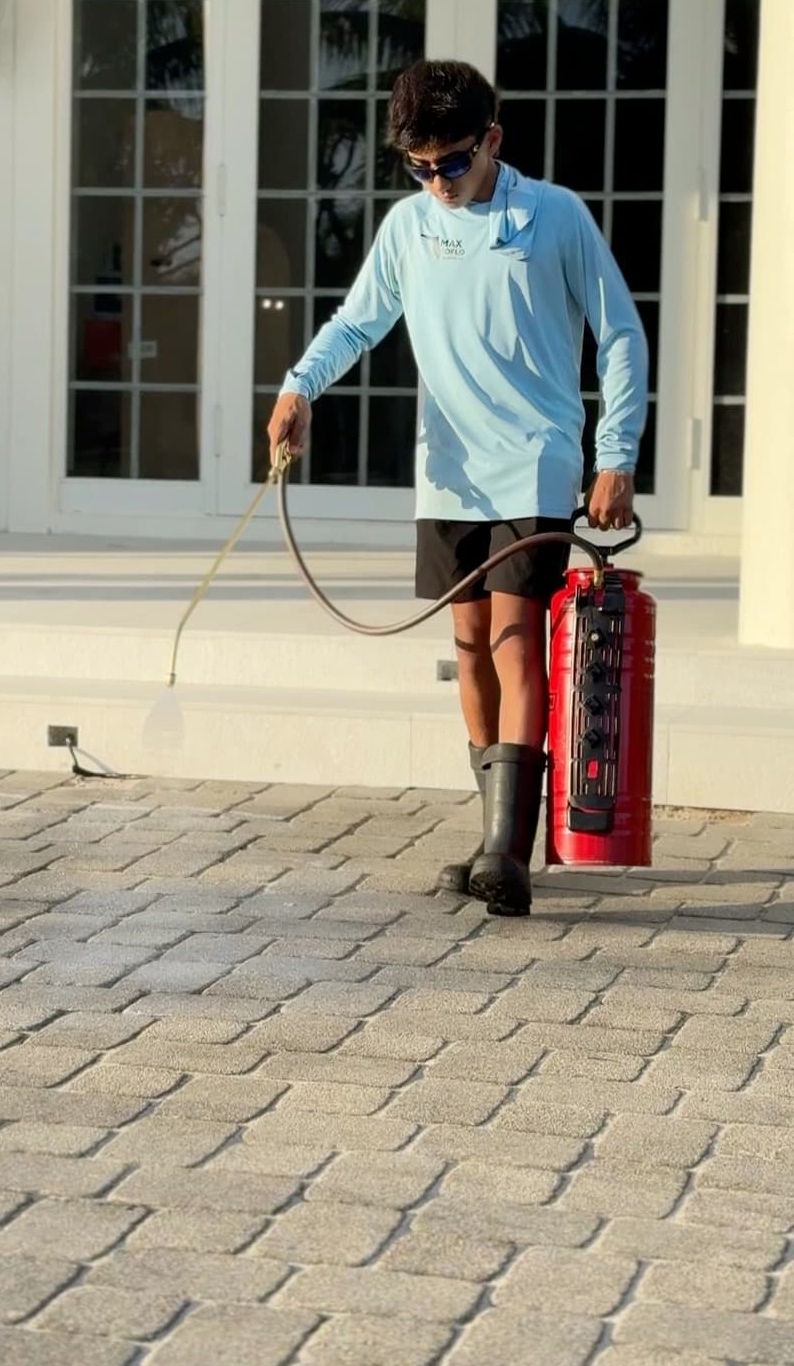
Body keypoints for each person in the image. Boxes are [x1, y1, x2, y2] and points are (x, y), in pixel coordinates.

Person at [268, 59, 647, 917]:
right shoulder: (409, 228)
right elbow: (358, 319)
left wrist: (614, 456)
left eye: (451, 162)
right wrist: (300, 389)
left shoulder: (554, 217)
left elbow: (619, 334)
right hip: (448, 472)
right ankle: (491, 836)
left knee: (515, 641)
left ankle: (510, 853)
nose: (436, 181)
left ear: (493, 141)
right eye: (419, 165)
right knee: (469, 648)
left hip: (536, 464)